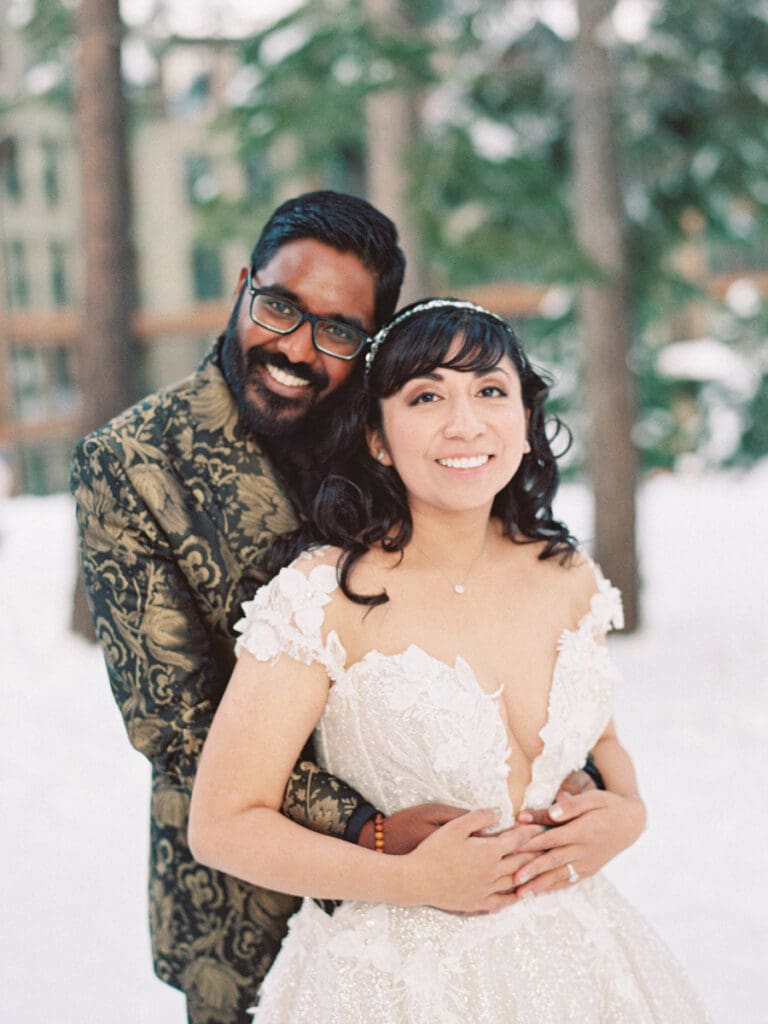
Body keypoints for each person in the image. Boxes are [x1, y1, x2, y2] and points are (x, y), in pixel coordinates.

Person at [72, 192, 635, 1023]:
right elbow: (176, 724)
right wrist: (380, 833)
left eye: (336, 330)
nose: (297, 348)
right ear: (243, 286)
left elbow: (480, 625)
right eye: (279, 307)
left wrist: (585, 794)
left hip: (498, 899)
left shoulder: (407, 413)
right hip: (253, 898)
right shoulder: (133, 463)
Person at [189, 298, 712, 1022]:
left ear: (525, 420)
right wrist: (408, 879)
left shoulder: (567, 577)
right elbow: (221, 824)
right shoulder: (323, 598)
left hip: (581, 962)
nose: (465, 423)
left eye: (490, 391)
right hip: (395, 982)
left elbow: (605, 741)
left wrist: (629, 815)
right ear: (377, 436)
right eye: (427, 396)